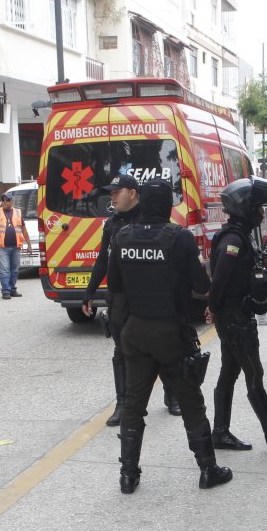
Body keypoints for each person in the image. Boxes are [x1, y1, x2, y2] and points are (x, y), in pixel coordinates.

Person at [107, 178, 232, 494]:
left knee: (134, 405)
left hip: (135, 331)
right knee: (191, 403)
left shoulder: (121, 237)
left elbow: (116, 287)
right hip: (170, 333)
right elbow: (201, 286)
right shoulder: (179, 238)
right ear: (167, 206)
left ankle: (127, 475)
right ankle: (208, 470)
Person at [207, 177, 267, 452]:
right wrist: (213, 307)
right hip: (236, 318)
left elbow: (236, 274)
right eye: (259, 207)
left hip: (234, 315)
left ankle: (220, 432)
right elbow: (221, 277)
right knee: (254, 374)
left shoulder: (239, 236)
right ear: (246, 210)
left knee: (229, 371)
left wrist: (261, 265)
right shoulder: (234, 240)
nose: (262, 213)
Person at [83, 174, 181, 425]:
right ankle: (123, 404)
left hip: (147, 296)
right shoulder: (112, 224)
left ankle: (172, 396)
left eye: (117, 191)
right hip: (119, 299)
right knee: (121, 351)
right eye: (111, 192)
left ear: (134, 193)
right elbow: (103, 260)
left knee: (160, 347)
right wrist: (90, 292)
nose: (112, 196)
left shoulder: (151, 219)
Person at [0, 193, 29, 299]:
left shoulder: (18, 212)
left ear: (12, 202)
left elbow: (23, 229)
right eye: (3, 200)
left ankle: (12, 289)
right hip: (2, 247)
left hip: (16, 246)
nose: (5, 202)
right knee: (4, 269)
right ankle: (6, 291)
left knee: (14, 269)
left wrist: (29, 244)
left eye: (7, 200)